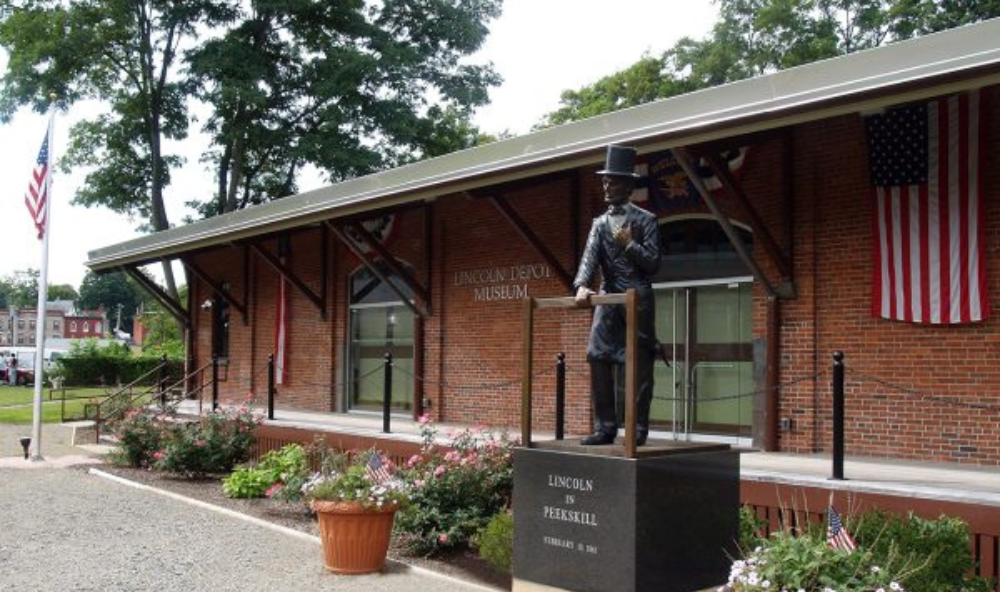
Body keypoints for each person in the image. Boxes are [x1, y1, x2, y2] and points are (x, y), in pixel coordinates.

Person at [574, 145, 660, 446]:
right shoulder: (599, 224)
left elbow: (653, 263)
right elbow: (589, 258)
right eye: (605, 182)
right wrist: (582, 285)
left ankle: (637, 430)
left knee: (639, 363)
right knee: (597, 355)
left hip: (638, 297)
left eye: (613, 181)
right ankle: (606, 427)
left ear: (628, 186)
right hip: (609, 296)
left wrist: (629, 245)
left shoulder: (646, 220)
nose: (607, 186)